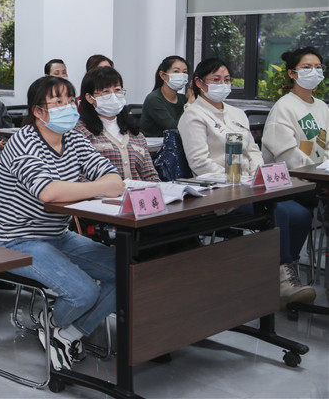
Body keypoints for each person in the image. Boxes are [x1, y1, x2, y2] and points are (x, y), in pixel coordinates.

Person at [0, 75, 123, 371]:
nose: (68, 108)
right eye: (58, 102)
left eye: (70, 101)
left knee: (125, 271)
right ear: (38, 111)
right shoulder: (22, 142)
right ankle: (53, 321)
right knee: (84, 292)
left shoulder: (74, 138)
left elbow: (113, 178)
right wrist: (96, 187)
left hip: (57, 235)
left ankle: (65, 331)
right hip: (16, 240)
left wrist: (90, 186)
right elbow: (48, 192)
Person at [178, 57, 315, 306]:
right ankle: (281, 279)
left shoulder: (236, 113)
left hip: (251, 186)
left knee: (300, 214)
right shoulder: (193, 116)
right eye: (216, 79)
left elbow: (253, 150)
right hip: (219, 190)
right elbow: (200, 164)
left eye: (227, 79)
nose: (223, 84)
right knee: (280, 213)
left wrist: (255, 175)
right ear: (199, 82)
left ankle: (284, 271)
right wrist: (239, 182)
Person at [76, 67, 159, 181]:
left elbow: (150, 175)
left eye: (117, 90)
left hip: (138, 191)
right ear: (90, 98)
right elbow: (78, 176)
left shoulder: (135, 133)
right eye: (106, 91)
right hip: (101, 192)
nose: (113, 96)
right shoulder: (80, 132)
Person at [262, 47, 327, 168]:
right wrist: (315, 171)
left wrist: (324, 169)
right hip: (294, 177)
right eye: (306, 67)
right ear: (291, 73)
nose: (314, 72)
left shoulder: (323, 107)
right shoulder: (283, 107)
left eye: (318, 67)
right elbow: (287, 155)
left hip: (320, 175)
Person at [140, 56, 189, 137]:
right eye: (176, 71)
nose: (181, 75)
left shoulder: (183, 98)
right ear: (163, 75)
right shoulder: (154, 99)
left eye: (185, 72)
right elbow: (174, 128)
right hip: (155, 144)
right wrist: (189, 104)